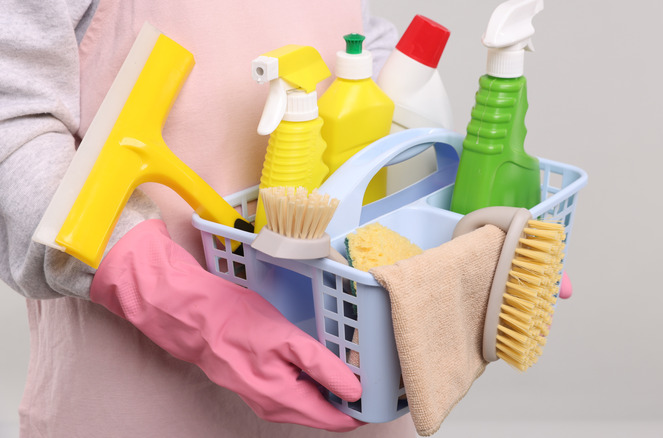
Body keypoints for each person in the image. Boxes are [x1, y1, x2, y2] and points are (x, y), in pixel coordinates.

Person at [0, 0, 417, 436]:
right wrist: (183, 300)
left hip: (361, 379)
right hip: (146, 402)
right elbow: (14, 133)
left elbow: (356, 38)